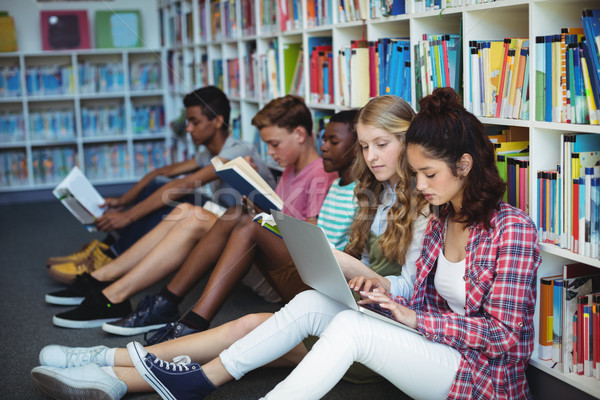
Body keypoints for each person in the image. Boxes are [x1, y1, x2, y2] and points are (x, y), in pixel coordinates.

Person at [30, 94, 430, 399]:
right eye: (364, 146)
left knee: (251, 327)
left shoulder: (422, 204)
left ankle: (113, 367)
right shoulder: (381, 194)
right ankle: (109, 365)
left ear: (406, 141)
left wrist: (343, 264)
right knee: (247, 327)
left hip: (378, 329)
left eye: (381, 145)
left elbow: (407, 290)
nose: (370, 156)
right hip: (351, 309)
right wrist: (342, 268)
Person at [49, 95, 338, 330]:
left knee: (201, 216)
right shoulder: (290, 170)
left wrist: (261, 208)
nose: (270, 152)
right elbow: (278, 216)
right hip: (259, 253)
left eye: (274, 144)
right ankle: (111, 285)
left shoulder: (319, 175)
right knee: (188, 211)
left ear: (300, 134)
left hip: (282, 276)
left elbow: (307, 242)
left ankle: (122, 293)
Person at [47, 86, 276, 285]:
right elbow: (161, 172)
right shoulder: (209, 153)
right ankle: (109, 250)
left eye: (194, 122)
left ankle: (113, 254)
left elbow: (185, 184)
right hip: (227, 219)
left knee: (174, 197)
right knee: (160, 185)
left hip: (249, 229)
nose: (188, 128)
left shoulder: (237, 151)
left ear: (217, 121)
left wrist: (128, 217)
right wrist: (123, 202)